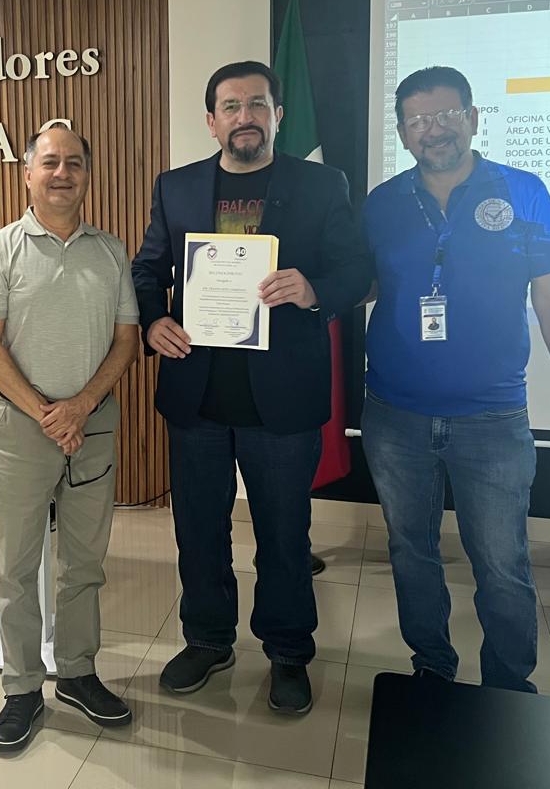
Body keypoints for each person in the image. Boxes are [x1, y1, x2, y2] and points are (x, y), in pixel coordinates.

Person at [131, 60, 372, 714]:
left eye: (258, 104)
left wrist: (314, 289)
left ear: (278, 115)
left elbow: (357, 269)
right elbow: (148, 268)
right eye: (232, 106)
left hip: (282, 396)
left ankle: (288, 652)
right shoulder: (176, 187)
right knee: (198, 531)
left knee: (284, 535)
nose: (246, 117)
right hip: (198, 395)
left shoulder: (321, 184)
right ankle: (208, 640)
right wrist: (152, 320)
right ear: (212, 121)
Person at [361, 65, 550, 693]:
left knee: (501, 562)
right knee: (411, 553)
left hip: (492, 418)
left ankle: (509, 689)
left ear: (473, 117)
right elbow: (365, 284)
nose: (432, 130)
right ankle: (432, 668)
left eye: (445, 115)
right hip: (394, 415)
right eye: (417, 120)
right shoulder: (383, 202)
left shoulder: (523, 191)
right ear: (403, 132)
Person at [0, 124, 140, 754]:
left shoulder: (111, 252)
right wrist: (47, 412)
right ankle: (21, 689)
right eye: (49, 162)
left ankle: (76, 673)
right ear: (27, 174)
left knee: (84, 564)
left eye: (73, 163)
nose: (61, 173)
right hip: (23, 430)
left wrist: (80, 407)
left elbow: (126, 341)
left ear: (87, 175)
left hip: (91, 428)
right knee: (15, 567)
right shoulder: (0, 249)